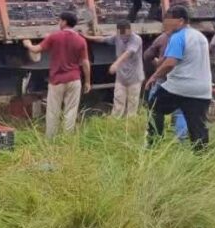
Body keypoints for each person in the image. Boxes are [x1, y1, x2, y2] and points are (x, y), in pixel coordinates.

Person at [145, 6, 212, 150]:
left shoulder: (178, 36)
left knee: (154, 106)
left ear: (181, 21)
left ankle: (154, 142)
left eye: (168, 20)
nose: (165, 23)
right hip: (202, 89)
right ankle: (202, 157)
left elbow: (170, 63)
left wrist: (154, 76)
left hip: (180, 86)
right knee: (197, 125)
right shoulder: (200, 37)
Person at [23, 11, 91, 139]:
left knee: (53, 110)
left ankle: (51, 138)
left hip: (57, 81)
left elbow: (36, 49)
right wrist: (87, 81)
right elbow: (85, 62)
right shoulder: (81, 40)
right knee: (71, 110)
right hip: (74, 79)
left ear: (64, 22)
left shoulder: (54, 37)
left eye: (60, 20)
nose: (59, 23)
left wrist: (28, 44)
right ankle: (68, 138)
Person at [84, 21, 144, 117]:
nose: (123, 36)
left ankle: (130, 125)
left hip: (134, 78)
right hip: (121, 78)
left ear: (130, 30)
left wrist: (116, 64)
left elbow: (128, 53)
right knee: (118, 102)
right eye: (122, 34)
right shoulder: (117, 37)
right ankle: (116, 123)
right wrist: (87, 37)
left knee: (132, 104)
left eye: (125, 33)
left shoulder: (136, 39)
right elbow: (103, 39)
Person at [144, 25, 187, 140]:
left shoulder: (162, 38)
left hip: (163, 79)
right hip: (180, 80)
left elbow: (147, 55)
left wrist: (157, 64)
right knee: (180, 110)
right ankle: (181, 139)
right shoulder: (187, 39)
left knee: (154, 108)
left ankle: (155, 136)